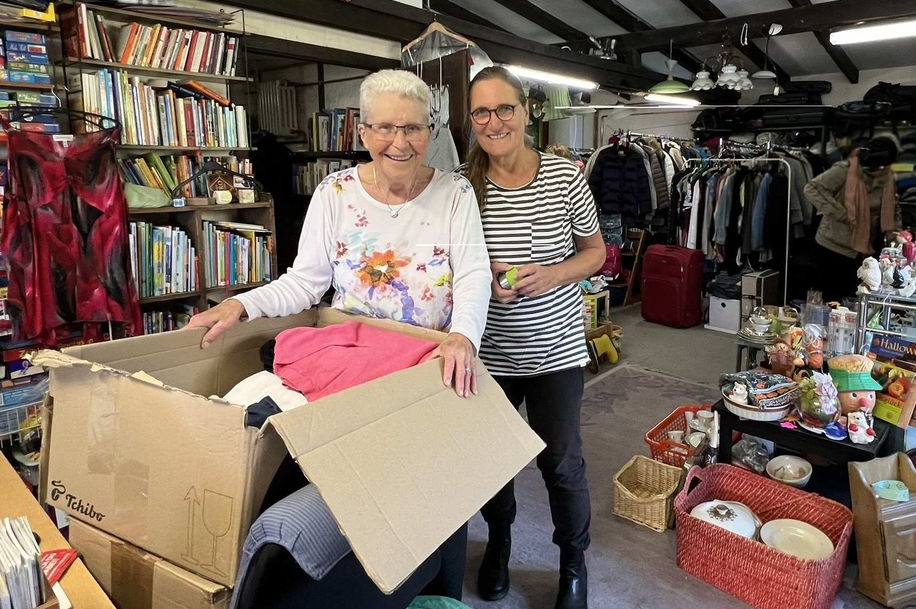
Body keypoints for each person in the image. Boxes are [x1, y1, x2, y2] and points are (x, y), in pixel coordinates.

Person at [186, 67, 492, 397]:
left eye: (413, 128)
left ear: (429, 132)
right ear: (363, 133)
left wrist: (464, 335)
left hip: (428, 359)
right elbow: (305, 282)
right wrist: (242, 305)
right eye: (385, 128)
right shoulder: (335, 192)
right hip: (352, 358)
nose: (399, 143)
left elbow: (472, 275)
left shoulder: (455, 193)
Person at [462, 66, 605, 609]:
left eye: (505, 109)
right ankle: (499, 542)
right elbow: (449, 260)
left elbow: (594, 252)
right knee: (494, 458)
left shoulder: (565, 177)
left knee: (561, 461)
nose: (494, 121)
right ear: (472, 120)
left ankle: (573, 561)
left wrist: (553, 274)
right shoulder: (463, 183)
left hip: (557, 351)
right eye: (482, 112)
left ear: (526, 112)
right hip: (488, 353)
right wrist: (483, 276)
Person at [804, 137, 901, 301]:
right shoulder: (845, 170)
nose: (876, 171)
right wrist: (840, 212)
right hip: (834, 245)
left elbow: (893, 206)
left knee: (856, 298)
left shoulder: (888, 178)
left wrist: (896, 232)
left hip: (866, 249)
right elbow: (812, 189)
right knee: (832, 300)